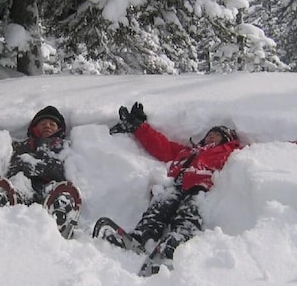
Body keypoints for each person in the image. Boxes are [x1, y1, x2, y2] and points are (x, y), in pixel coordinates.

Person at [100, 101, 245, 270]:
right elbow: (163, 146)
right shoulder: (188, 152)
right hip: (176, 186)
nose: (212, 136)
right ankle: (142, 236)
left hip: (200, 187)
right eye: (210, 133)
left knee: (190, 211)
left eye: (217, 135)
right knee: (160, 204)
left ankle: (178, 240)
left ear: (226, 139)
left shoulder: (227, 152)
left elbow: (259, 153)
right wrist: (139, 127)